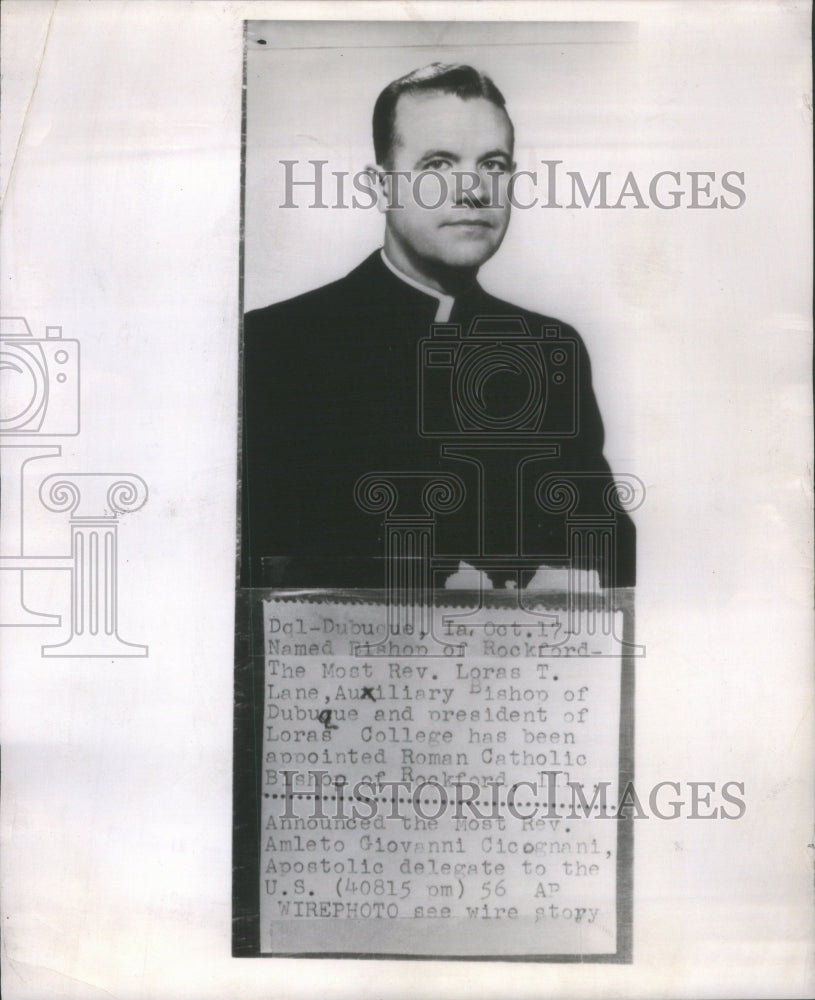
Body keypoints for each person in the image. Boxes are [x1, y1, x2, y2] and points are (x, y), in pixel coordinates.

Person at [240, 63, 635, 590]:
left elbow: (609, 567)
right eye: (439, 164)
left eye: (493, 164)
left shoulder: (549, 348)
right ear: (381, 186)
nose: (473, 190)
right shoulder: (274, 344)